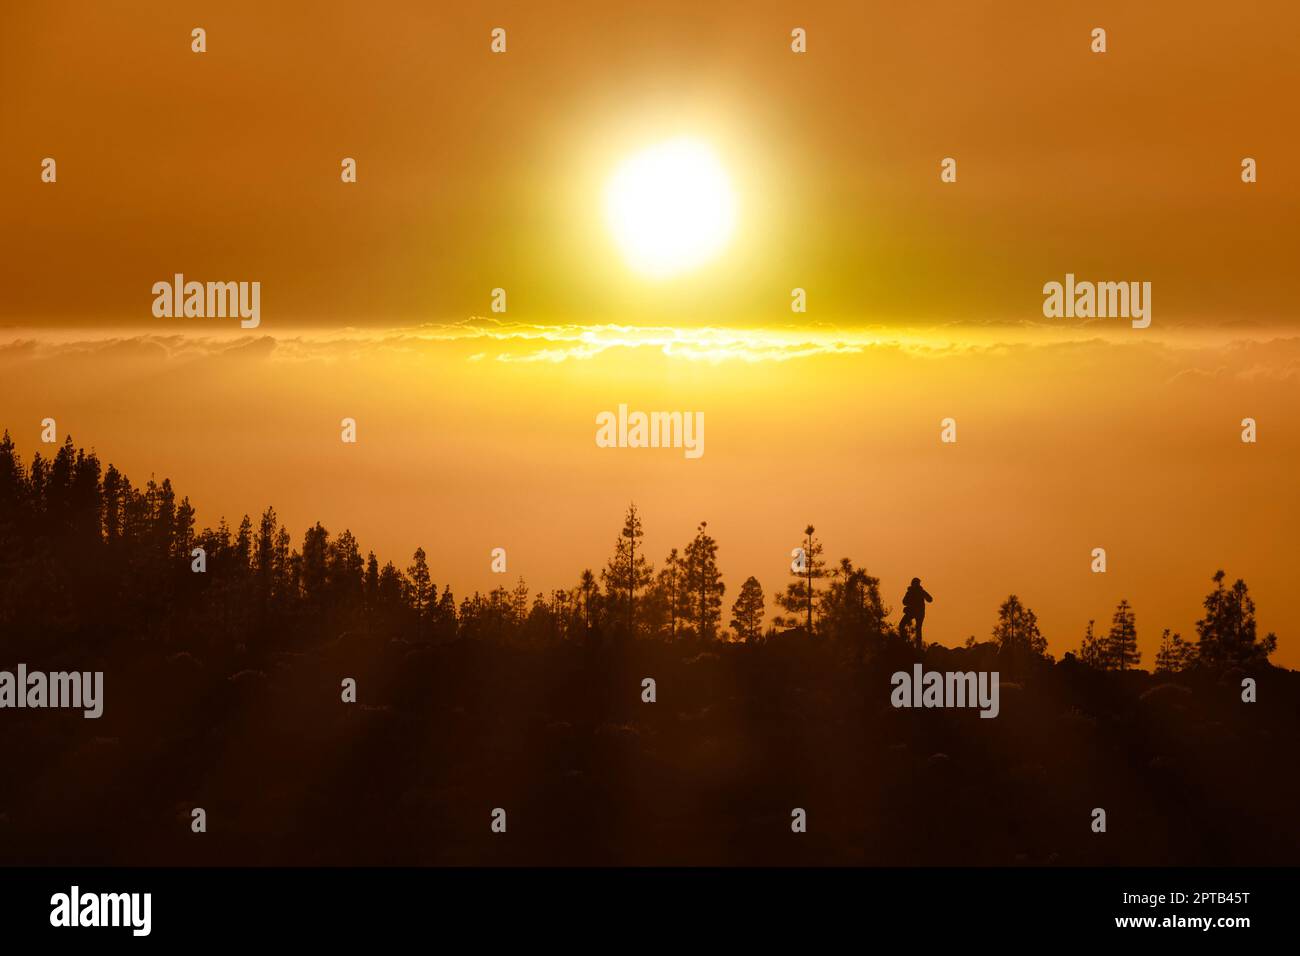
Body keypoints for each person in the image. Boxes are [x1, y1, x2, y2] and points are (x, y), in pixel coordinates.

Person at [899, 577, 933, 647]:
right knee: (903, 625)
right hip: (914, 612)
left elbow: (930, 599)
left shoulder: (919, 591)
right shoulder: (912, 591)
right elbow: (904, 602)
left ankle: (917, 646)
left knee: (917, 629)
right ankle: (904, 642)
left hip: (918, 613)